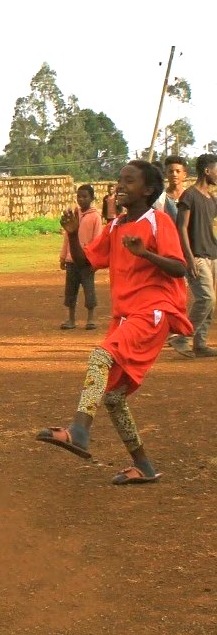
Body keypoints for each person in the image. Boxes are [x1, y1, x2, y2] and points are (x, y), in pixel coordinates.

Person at [36, 160, 191, 485]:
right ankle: (144, 466)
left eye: (129, 181)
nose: (120, 186)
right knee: (113, 397)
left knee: (100, 357)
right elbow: (86, 263)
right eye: (120, 180)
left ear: (148, 190)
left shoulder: (157, 221)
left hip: (153, 312)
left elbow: (179, 268)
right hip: (125, 318)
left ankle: (79, 430)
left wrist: (145, 253)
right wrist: (73, 235)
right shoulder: (117, 225)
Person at [171, 153, 217, 359]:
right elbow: (181, 228)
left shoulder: (212, 198)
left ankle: (200, 343)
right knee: (206, 298)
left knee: (211, 302)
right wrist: (188, 258)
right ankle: (182, 336)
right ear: (207, 171)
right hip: (196, 255)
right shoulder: (189, 195)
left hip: (212, 255)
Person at [58, 184, 102, 330]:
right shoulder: (74, 215)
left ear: (92, 198)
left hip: (87, 261)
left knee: (89, 290)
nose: (81, 199)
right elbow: (67, 237)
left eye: (84, 196)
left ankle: (90, 319)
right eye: (79, 196)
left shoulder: (95, 217)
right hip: (72, 261)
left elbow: (97, 239)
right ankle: (71, 319)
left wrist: (94, 259)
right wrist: (63, 256)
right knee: (70, 291)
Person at [156, 155, 189, 219]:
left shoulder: (190, 196)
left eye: (178, 171)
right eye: (171, 171)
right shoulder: (160, 198)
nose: (174, 174)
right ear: (166, 174)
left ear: (184, 174)